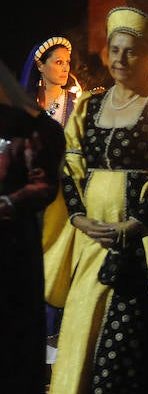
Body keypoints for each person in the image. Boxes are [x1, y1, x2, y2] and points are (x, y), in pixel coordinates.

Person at [41, 7, 148, 394]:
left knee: (129, 332)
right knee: (82, 323)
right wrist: (79, 218)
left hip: (139, 240)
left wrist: (134, 223)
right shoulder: (89, 106)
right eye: (116, 51)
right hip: (91, 237)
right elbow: (71, 167)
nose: (122, 59)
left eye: (133, 52)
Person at [0, 60, 65, 394]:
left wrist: (8, 204)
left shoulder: (29, 129)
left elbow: (44, 183)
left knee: (15, 345)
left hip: (13, 250)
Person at [20, 36, 81, 365]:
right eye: (57, 62)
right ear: (40, 67)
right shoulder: (25, 105)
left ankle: (52, 342)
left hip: (62, 197)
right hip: (30, 197)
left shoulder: (76, 104)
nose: (64, 68)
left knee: (57, 266)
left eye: (67, 63)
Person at [19, 36, 80, 128]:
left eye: (67, 62)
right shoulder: (26, 103)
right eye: (59, 62)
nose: (66, 68)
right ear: (40, 65)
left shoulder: (76, 103)